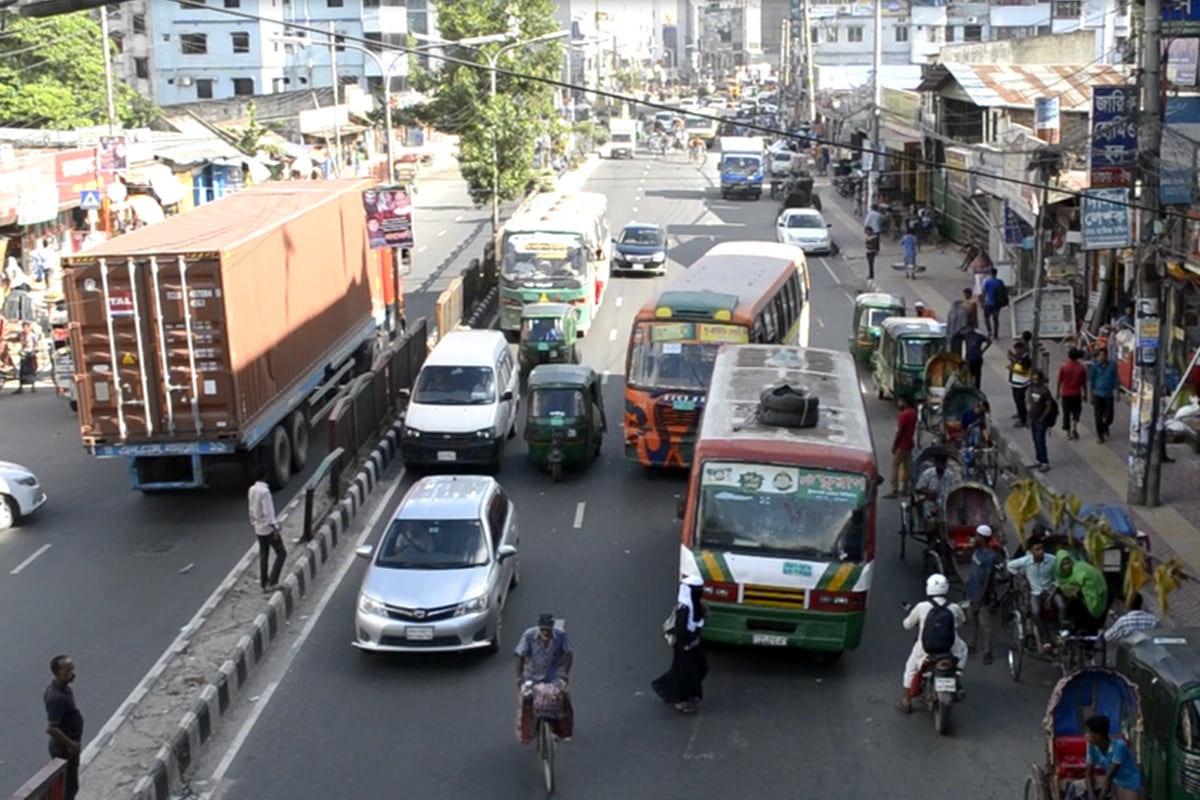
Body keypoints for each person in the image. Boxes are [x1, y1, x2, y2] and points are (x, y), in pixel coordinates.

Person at [899, 573, 968, 713]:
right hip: (950, 649)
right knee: (964, 649)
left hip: (925, 650)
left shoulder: (921, 607)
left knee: (911, 668)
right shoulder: (954, 607)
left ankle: (906, 700)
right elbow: (961, 622)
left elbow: (907, 624)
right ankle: (958, 672)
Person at [653, 575, 709, 713]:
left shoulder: (696, 605)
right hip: (684, 647)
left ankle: (670, 690)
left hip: (694, 644)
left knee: (700, 668)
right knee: (686, 673)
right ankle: (680, 699)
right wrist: (687, 644)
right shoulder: (684, 609)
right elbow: (681, 630)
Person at [515, 614, 574, 740]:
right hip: (532, 675)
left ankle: (563, 730)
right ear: (538, 628)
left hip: (553, 675)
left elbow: (569, 654)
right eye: (543, 629)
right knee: (526, 700)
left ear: (552, 628)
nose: (545, 633)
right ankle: (527, 732)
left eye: (548, 630)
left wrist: (565, 672)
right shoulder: (528, 635)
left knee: (563, 697)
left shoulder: (561, 636)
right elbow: (520, 656)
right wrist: (519, 677)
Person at [1063, 715, 1143, 800]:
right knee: (1075, 787)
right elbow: (1089, 772)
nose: (1086, 735)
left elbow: (1109, 776)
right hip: (1114, 781)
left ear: (1098, 736)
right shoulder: (1091, 746)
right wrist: (1091, 794)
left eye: (1089, 732)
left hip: (1129, 782)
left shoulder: (1119, 746)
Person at [1006, 535, 1062, 651]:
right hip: (1035, 593)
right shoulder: (1026, 561)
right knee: (1035, 612)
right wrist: (1020, 577)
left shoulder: (1052, 560)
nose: (1040, 552)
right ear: (1031, 551)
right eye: (1037, 549)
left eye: (1041, 548)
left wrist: (1050, 597)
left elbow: (1058, 579)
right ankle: (1046, 639)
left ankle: (1062, 633)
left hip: (1050, 591)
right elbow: (1009, 566)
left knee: (1062, 605)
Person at [45, 654, 83, 800]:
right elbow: (51, 728)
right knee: (68, 789)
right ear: (57, 673)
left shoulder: (65, 689)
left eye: (72, 669)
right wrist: (72, 744)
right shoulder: (56, 697)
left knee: (72, 786)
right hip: (64, 749)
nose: (72, 674)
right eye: (67, 671)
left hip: (70, 746)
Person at [247, 466, 286, 592]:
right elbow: (268, 512)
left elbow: (251, 508)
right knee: (281, 553)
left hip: (258, 527)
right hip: (268, 528)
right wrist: (275, 528)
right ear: (265, 476)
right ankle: (272, 582)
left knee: (264, 555)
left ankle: (264, 583)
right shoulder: (265, 492)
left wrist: (253, 522)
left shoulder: (251, 489)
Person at [965, 524, 998, 664]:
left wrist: (980, 599)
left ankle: (987, 652)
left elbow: (987, 580)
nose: (975, 537)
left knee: (985, 625)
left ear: (983, 538)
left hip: (982, 596)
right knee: (972, 619)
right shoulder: (977, 550)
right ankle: (972, 643)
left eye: (977, 536)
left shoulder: (990, 557)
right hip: (971, 591)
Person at [1053, 553, 1109, 636]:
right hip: (1100, 596)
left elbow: (1072, 589)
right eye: (1063, 565)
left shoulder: (1077, 571)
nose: (1066, 566)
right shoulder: (1079, 566)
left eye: (1068, 563)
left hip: (1094, 599)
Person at [915, 453, 960, 532]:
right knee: (927, 509)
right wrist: (929, 492)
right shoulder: (927, 473)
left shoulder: (950, 475)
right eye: (939, 462)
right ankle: (925, 525)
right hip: (930, 499)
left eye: (943, 462)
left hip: (946, 500)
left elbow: (955, 487)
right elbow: (918, 488)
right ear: (935, 463)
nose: (941, 464)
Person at [885, 397, 918, 498]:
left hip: (902, 445)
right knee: (908, 467)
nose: (899, 403)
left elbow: (899, 432)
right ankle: (905, 489)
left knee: (895, 466)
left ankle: (894, 489)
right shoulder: (913, 413)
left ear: (905, 402)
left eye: (900, 401)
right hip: (909, 443)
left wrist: (894, 445)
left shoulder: (903, 415)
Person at [1089, 347, 1118, 443]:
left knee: (1110, 417)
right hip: (1098, 394)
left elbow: (1116, 379)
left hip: (1109, 394)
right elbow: (1092, 381)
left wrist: (1117, 392)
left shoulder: (1112, 366)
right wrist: (1091, 395)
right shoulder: (1095, 367)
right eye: (1100, 355)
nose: (1102, 357)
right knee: (1098, 416)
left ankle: (1105, 426)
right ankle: (1100, 436)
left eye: (1104, 355)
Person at [1058, 347, 1087, 441]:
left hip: (1066, 394)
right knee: (1076, 411)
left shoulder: (1064, 367)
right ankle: (1074, 426)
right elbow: (1083, 382)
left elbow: (1059, 380)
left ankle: (1068, 433)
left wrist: (1058, 392)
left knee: (1066, 413)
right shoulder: (1081, 368)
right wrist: (1085, 394)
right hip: (1076, 394)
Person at [1027, 370, 1054, 472]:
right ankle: (1039, 459)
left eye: (1037, 379)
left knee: (1040, 440)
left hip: (1041, 420)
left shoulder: (1045, 391)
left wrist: (1043, 417)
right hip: (1033, 418)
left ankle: (1045, 462)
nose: (1035, 381)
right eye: (1033, 379)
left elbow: (1049, 406)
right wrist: (1029, 417)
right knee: (1035, 439)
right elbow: (1031, 404)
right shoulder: (1032, 389)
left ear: (1041, 380)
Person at [1008, 340, 1033, 427]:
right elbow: (1016, 362)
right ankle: (1021, 415)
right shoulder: (1020, 357)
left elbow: (1024, 371)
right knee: (1017, 400)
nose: (1016, 351)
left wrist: (1012, 369)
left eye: (1017, 349)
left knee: (1020, 401)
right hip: (1016, 382)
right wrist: (1011, 358)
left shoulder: (1026, 359)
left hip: (1022, 383)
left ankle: (1023, 420)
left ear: (1021, 349)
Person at [945, 288, 977, 356]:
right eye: (965, 294)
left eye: (966, 294)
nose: (965, 295)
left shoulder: (972, 303)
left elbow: (970, 314)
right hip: (958, 331)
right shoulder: (961, 306)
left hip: (968, 325)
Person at [961, 323, 991, 389]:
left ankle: (976, 388)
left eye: (969, 328)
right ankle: (972, 387)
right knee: (971, 375)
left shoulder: (977, 336)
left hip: (976, 358)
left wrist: (983, 351)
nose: (968, 329)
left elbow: (989, 341)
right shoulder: (966, 335)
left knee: (976, 375)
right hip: (970, 358)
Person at [15, 320, 40, 394]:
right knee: (22, 371)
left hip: (30, 354)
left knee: (31, 371)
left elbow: (36, 345)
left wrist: (35, 350)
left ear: (29, 328)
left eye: (26, 327)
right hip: (23, 353)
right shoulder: (20, 334)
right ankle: (20, 387)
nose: (24, 329)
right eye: (23, 327)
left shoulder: (33, 335)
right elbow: (16, 340)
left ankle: (33, 386)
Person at [981, 267, 1006, 339]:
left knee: (986, 318)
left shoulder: (987, 282)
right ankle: (996, 334)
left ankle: (989, 331)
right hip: (997, 304)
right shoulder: (1000, 282)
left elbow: (984, 292)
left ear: (990, 273)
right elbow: (1004, 292)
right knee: (996, 319)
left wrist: (982, 302)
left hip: (989, 303)